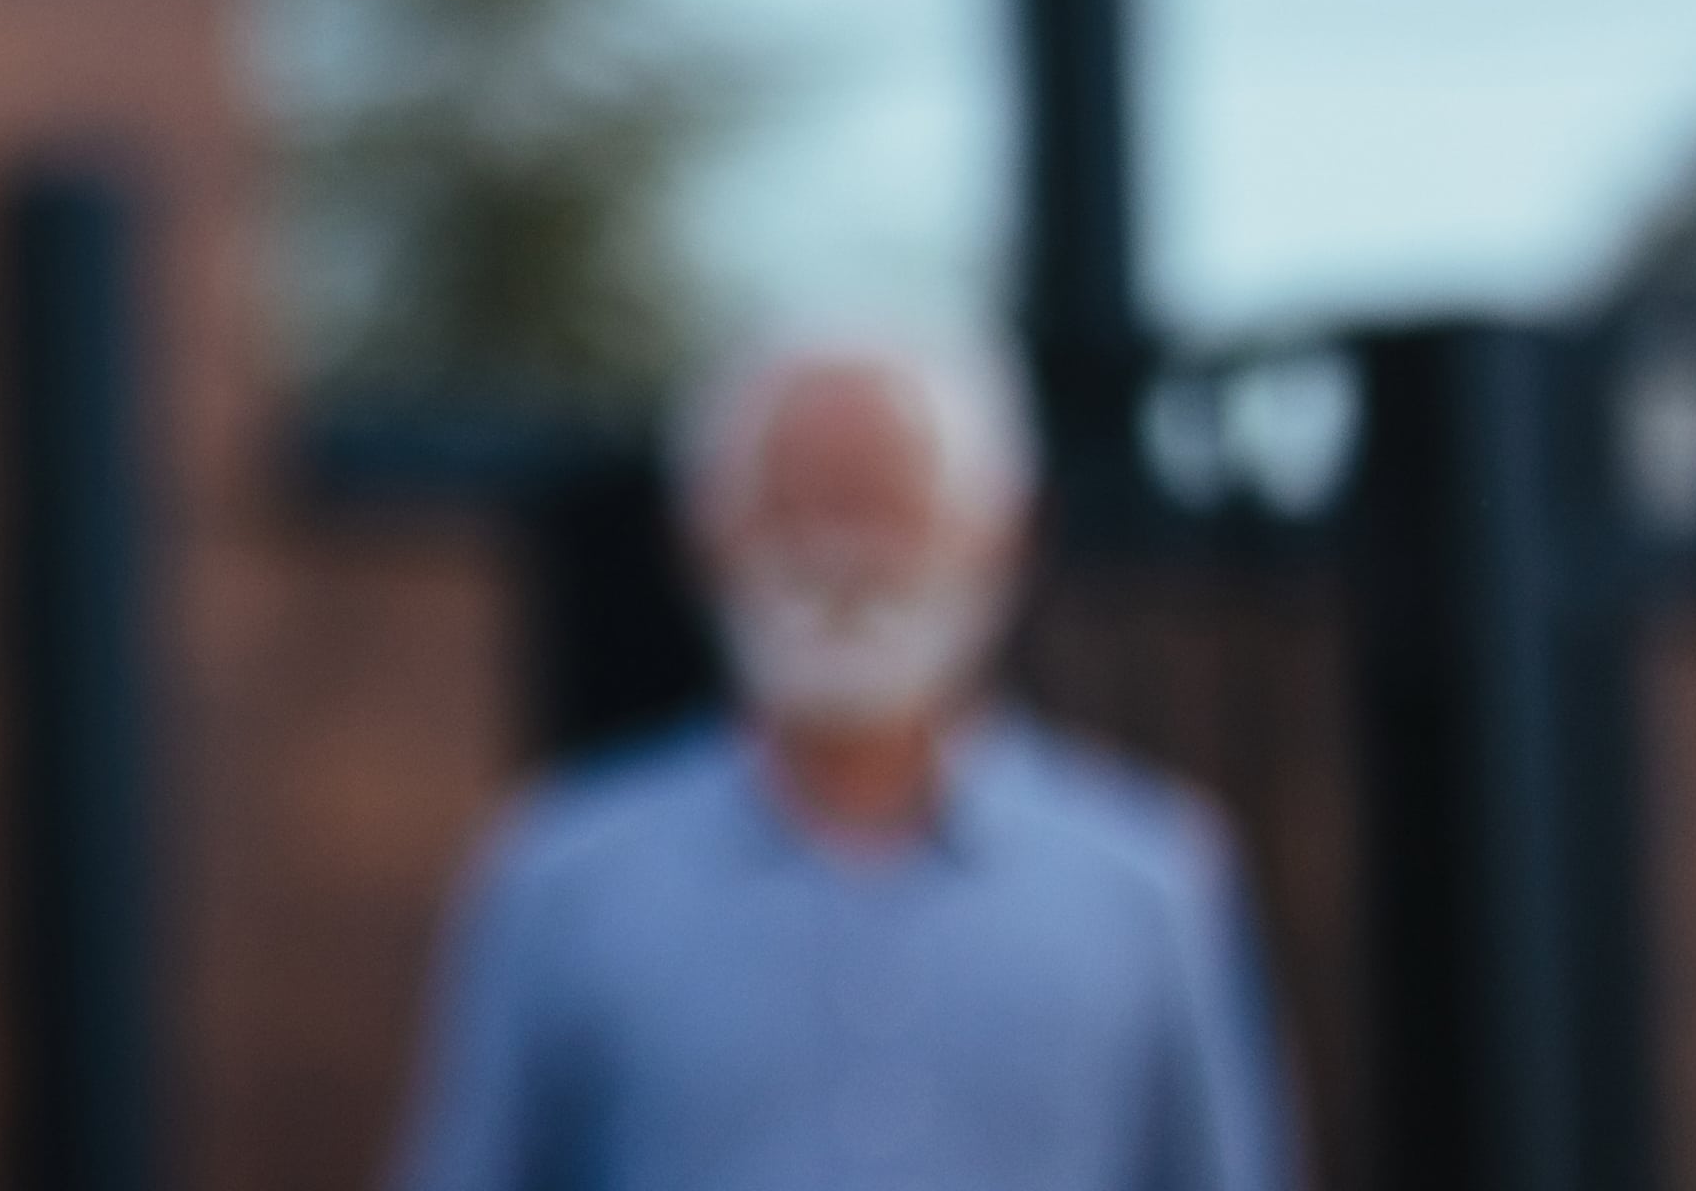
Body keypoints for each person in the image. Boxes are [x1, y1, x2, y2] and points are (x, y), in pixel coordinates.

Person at [383, 326, 1295, 1191]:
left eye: (885, 503)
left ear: (1000, 533)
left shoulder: (1151, 884)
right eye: (796, 502)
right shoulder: (560, 881)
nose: (840, 553)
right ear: (706, 533)